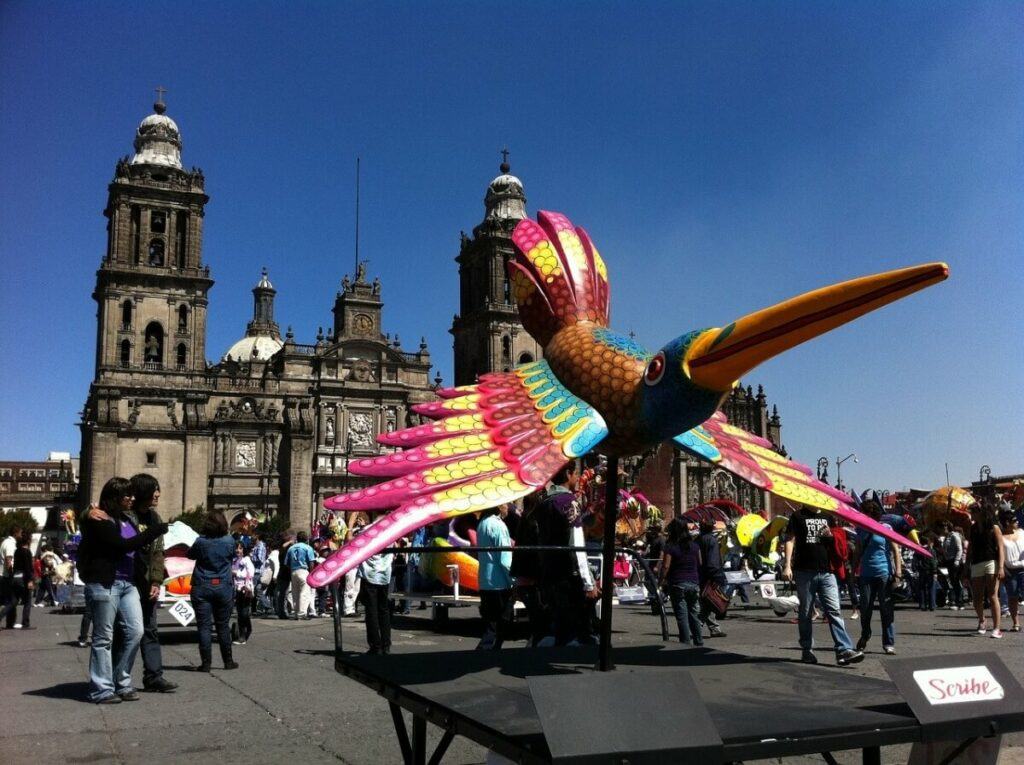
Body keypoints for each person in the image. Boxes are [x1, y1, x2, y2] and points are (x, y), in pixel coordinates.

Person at [77, 477, 167, 703]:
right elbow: (123, 545)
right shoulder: (99, 519)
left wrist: (154, 580)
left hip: (129, 584)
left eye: (132, 495)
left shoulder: (128, 519)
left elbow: (152, 552)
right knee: (103, 638)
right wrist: (86, 512)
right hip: (106, 583)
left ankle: (121, 680)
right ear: (115, 497)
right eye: (127, 495)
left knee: (136, 631)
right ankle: (102, 688)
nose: (131, 498)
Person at [783, 505, 863, 666]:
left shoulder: (828, 516)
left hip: (827, 571)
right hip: (804, 570)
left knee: (834, 610)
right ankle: (807, 649)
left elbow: (837, 538)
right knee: (806, 612)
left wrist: (831, 536)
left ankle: (843, 649)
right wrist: (787, 565)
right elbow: (790, 539)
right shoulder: (798, 516)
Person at [536, 462, 597, 646]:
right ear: (568, 473)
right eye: (576, 473)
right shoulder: (568, 502)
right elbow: (576, 543)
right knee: (574, 630)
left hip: (549, 573)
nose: (578, 478)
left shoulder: (544, 502)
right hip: (568, 577)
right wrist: (588, 582)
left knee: (558, 628)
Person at [126, 474, 177, 693]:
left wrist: (156, 580)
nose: (158, 494)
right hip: (127, 581)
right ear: (142, 492)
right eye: (154, 490)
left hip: (147, 582)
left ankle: (154, 676)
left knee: (150, 629)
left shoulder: (155, 519)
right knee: (126, 631)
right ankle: (118, 679)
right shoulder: (125, 516)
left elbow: (158, 552)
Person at [189, 511, 238, 671]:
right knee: (223, 625)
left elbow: (190, 555)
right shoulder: (229, 541)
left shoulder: (201, 542)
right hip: (223, 585)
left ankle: (206, 663)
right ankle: (228, 661)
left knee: (204, 626)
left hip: (202, 584)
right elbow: (232, 556)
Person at [855, 505, 901, 655]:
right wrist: (852, 569)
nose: (862, 514)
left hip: (884, 573)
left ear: (872, 513)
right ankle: (865, 634)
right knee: (865, 609)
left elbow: (895, 549)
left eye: (864, 511)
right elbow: (858, 550)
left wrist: (898, 572)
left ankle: (888, 643)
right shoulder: (860, 528)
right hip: (866, 574)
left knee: (886, 610)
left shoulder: (886, 527)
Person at [512, 492, 550, 645]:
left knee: (535, 615)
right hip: (532, 576)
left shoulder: (523, 520)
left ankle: (534, 640)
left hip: (523, 575)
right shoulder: (534, 522)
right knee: (539, 615)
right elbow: (537, 550)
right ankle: (535, 643)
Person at [659, 518, 703, 645]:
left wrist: (660, 581)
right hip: (694, 582)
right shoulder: (695, 546)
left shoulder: (671, 547)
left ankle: (685, 642)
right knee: (694, 613)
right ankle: (699, 641)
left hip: (678, 583)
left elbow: (666, 566)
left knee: (682, 615)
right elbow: (700, 563)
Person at [476, 504, 514, 650]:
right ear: (499, 507)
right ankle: (487, 652)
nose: (508, 508)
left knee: (490, 624)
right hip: (500, 582)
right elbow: (505, 560)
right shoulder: (499, 525)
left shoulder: (482, 523)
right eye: (506, 504)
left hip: (485, 580)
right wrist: (513, 581)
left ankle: (487, 651)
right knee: (500, 624)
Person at [968, 504, 1004, 637]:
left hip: (991, 561)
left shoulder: (994, 528)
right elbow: (970, 549)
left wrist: (1000, 567)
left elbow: (1000, 548)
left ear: (981, 512)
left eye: (973, 512)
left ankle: (997, 628)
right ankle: (982, 620)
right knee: (977, 598)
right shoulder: (973, 528)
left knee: (992, 595)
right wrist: (966, 567)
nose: (971, 514)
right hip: (976, 562)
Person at [357, 534, 393, 654]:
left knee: (371, 611)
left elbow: (351, 543)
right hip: (384, 575)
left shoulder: (368, 531)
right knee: (384, 610)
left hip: (370, 574)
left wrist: (351, 524)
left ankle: (375, 645)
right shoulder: (391, 531)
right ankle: (386, 645)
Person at [697, 520, 727, 638]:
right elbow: (712, 561)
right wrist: (715, 576)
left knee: (707, 601)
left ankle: (715, 628)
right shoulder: (712, 540)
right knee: (710, 603)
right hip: (711, 575)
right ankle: (697, 625)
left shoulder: (698, 539)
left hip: (701, 574)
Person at [1000, 510, 1024, 632]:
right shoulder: (1001, 538)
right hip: (1011, 571)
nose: (1017, 522)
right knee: (1013, 597)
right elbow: (1001, 555)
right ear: (1007, 522)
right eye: (1014, 520)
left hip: (1023, 569)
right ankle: (1016, 623)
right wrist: (1002, 569)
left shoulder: (1021, 532)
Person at [285, 531, 317, 620]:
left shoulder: (291, 548)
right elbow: (311, 562)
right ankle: (302, 613)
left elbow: (286, 563)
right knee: (304, 593)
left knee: (295, 593)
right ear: (306, 539)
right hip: (303, 570)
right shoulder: (308, 548)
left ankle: (296, 613)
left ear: (297, 539)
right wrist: (311, 573)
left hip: (293, 571)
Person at [10, 532, 36, 629]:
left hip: (16, 577)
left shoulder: (17, 551)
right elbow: (28, 567)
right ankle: (25, 623)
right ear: (28, 541)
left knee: (14, 601)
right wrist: (30, 580)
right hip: (24, 578)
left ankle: (5, 617)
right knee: (27, 601)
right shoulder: (27, 552)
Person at [232, 541, 255, 644]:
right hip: (237, 589)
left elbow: (251, 573)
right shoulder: (234, 560)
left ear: (243, 550)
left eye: (240, 548)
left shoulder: (246, 560)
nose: (238, 550)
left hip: (245, 589)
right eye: (237, 548)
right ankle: (248, 629)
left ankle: (243, 637)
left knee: (243, 613)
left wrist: (236, 573)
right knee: (241, 612)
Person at [0, 524, 21, 630]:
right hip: (7, 576)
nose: (21, 535)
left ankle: (10, 623)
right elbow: (9, 560)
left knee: (11, 600)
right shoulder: (10, 544)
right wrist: (12, 573)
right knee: (13, 601)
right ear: (15, 533)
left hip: (3, 575)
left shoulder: (5, 542)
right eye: (20, 533)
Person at [942, 522, 966, 610]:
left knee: (956, 581)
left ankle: (960, 602)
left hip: (955, 561)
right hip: (949, 561)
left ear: (948, 528)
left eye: (944, 527)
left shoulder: (954, 536)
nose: (943, 529)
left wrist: (957, 560)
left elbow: (959, 548)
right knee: (952, 581)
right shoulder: (947, 537)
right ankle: (956, 600)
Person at [914, 537, 939, 611]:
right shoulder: (931, 550)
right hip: (930, 571)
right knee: (931, 588)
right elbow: (933, 561)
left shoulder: (919, 550)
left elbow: (915, 560)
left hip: (922, 571)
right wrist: (935, 571)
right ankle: (932, 605)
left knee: (922, 588)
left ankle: (923, 605)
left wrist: (917, 568)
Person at [275, 538, 292, 619]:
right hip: (284, 574)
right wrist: (290, 541)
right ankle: (283, 612)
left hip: (283, 574)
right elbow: (282, 546)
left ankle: (281, 612)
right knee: (283, 595)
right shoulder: (282, 552)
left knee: (282, 595)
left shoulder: (284, 553)